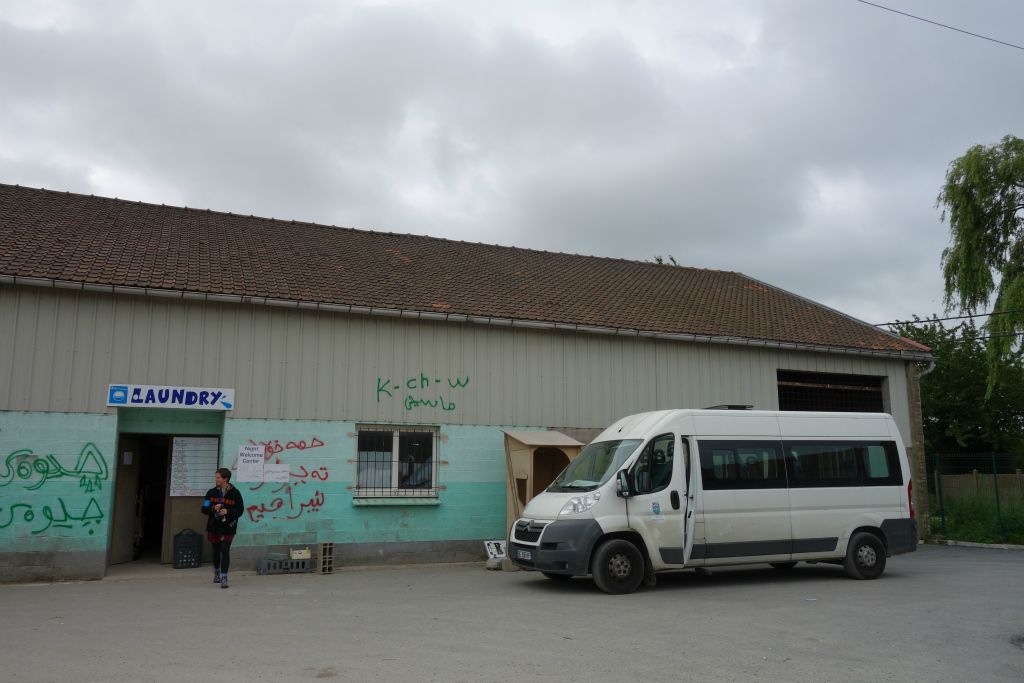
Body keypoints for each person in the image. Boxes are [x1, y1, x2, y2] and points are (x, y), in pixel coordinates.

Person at [201, 468, 244, 588]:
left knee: (225, 551)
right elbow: (204, 509)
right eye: (216, 477)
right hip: (214, 526)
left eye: (218, 477)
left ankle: (224, 577)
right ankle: (216, 571)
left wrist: (228, 511)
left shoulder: (235, 493)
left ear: (225, 479)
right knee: (216, 551)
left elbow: (240, 510)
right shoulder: (211, 492)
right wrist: (213, 508)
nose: (216, 479)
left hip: (229, 527)